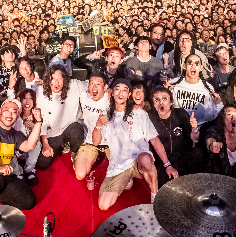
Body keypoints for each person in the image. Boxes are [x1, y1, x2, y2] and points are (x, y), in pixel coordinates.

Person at [92, 78, 173, 209]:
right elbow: (96, 142)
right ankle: (127, 179)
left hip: (138, 161)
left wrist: (167, 164)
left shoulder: (139, 113)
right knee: (103, 205)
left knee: (145, 158)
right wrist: (98, 125)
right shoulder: (106, 115)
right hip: (120, 165)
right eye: (117, 89)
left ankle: (155, 199)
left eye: (124, 90)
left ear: (129, 94)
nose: (120, 93)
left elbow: (154, 139)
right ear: (112, 93)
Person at [34, 64, 86, 170]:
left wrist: (107, 90)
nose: (56, 83)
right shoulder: (41, 92)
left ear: (65, 80)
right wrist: (45, 144)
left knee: (76, 130)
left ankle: (75, 152)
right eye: (52, 78)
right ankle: (61, 147)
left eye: (59, 79)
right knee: (42, 164)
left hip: (71, 128)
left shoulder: (74, 85)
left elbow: (91, 85)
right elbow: (42, 121)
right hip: (53, 134)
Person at [148, 85, 201, 180]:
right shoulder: (149, 118)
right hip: (162, 162)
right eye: (157, 100)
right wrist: (167, 165)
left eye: (164, 99)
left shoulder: (180, 113)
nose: (161, 103)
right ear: (152, 104)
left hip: (182, 158)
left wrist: (194, 129)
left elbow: (194, 140)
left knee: (198, 153)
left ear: (171, 102)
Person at [74, 72, 112, 189]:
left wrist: (111, 91)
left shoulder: (111, 98)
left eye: (98, 84)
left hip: (110, 142)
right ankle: (78, 157)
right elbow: (69, 84)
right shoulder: (84, 96)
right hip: (90, 141)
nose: (94, 87)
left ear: (105, 87)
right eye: (92, 84)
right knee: (80, 175)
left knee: (127, 182)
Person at [168, 53, 223, 125]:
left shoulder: (208, 88)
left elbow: (211, 115)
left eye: (197, 64)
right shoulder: (173, 83)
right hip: (178, 126)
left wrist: (218, 104)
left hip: (200, 127)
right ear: (184, 66)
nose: (193, 66)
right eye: (190, 63)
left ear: (201, 68)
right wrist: (166, 92)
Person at [11, 88, 41, 185]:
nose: (27, 102)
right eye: (24, 98)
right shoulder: (15, 114)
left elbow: (39, 137)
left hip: (29, 151)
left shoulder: (36, 115)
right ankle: (18, 171)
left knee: (37, 143)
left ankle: (29, 170)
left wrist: (34, 127)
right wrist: (17, 114)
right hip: (16, 149)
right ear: (20, 100)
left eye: (30, 98)